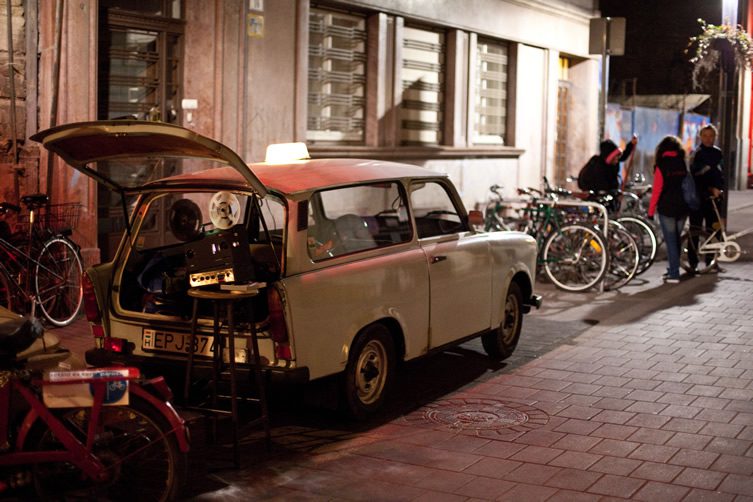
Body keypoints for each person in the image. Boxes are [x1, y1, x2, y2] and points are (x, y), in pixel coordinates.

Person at [647, 135, 690, 283]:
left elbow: (657, 190)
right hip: (683, 207)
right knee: (676, 240)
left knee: (671, 241)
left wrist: (651, 211)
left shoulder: (661, 165)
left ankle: (674, 273)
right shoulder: (682, 162)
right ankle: (672, 268)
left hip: (667, 208)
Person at [688, 124, 726, 272]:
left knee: (714, 230)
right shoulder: (696, 154)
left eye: (711, 136)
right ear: (700, 137)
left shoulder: (718, 153)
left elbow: (721, 174)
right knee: (695, 230)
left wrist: (719, 189)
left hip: (714, 199)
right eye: (705, 136)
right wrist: (710, 188)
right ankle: (692, 262)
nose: (708, 139)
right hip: (698, 199)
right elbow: (695, 175)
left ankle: (712, 261)